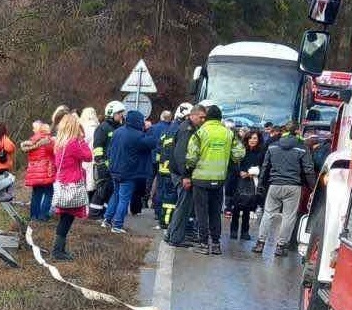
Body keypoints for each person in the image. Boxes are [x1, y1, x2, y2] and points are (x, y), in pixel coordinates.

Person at [186, 105, 245, 255]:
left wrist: (189, 170)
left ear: (206, 117)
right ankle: (216, 244)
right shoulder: (229, 133)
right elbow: (239, 153)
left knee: (201, 212)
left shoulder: (200, 133)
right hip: (219, 179)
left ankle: (203, 244)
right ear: (220, 118)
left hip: (200, 179)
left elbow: (191, 157)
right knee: (215, 212)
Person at [253, 122, 316, 257]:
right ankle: (281, 246)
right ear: (297, 131)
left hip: (274, 185)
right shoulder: (302, 148)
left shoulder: (273, 146)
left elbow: (265, 167)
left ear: (283, 131)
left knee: (268, 213)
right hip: (293, 187)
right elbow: (308, 169)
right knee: (289, 217)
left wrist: (261, 185)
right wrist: (313, 187)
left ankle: (260, 243)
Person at [102, 110, 158, 233]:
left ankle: (107, 219)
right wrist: (149, 129)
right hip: (128, 172)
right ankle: (117, 225)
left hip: (115, 169)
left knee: (116, 195)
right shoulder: (138, 136)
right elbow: (153, 143)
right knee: (124, 199)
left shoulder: (117, 131)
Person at [49, 114, 93, 260]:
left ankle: (59, 249)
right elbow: (88, 157)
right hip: (72, 183)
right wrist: (82, 140)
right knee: (67, 218)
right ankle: (58, 251)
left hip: (63, 182)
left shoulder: (59, 143)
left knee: (65, 217)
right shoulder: (73, 143)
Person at [165, 104, 206, 247]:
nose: (203, 120)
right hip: (181, 174)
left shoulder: (188, 128)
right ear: (192, 115)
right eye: (201, 117)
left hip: (180, 173)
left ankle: (171, 234)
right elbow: (181, 155)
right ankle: (176, 238)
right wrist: (186, 176)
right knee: (183, 207)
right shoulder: (187, 130)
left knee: (182, 205)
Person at [89, 100, 127, 218]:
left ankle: (104, 214)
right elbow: (98, 146)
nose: (121, 115)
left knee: (110, 191)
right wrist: (100, 162)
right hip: (104, 165)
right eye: (119, 113)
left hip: (115, 166)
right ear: (112, 113)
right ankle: (94, 214)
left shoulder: (119, 127)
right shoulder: (103, 128)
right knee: (102, 190)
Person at [229, 131, 264, 241]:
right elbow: (233, 164)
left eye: (255, 138)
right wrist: (239, 172)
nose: (252, 140)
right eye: (250, 138)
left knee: (247, 208)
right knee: (236, 206)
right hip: (238, 181)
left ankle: (245, 231)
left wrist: (251, 173)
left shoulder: (261, 152)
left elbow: (263, 166)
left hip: (252, 182)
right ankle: (233, 231)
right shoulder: (241, 151)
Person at [22, 121, 55, 222]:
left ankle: (33, 215)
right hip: (46, 170)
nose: (33, 130)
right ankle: (43, 215)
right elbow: (54, 153)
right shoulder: (48, 140)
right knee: (49, 192)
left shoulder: (31, 141)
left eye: (34, 128)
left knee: (36, 193)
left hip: (34, 171)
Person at [78, 107, 100, 194]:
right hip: (95, 157)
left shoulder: (83, 129)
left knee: (85, 181)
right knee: (93, 182)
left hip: (85, 157)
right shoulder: (98, 128)